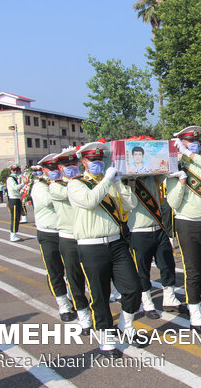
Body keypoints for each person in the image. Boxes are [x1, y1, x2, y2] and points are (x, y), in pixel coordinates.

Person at [67, 141, 140, 358]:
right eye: (92, 160)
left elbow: (131, 204)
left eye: (100, 159)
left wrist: (118, 184)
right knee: (100, 295)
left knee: (133, 288)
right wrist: (107, 180)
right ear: (83, 162)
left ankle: (126, 326)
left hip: (116, 243)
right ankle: (106, 340)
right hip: (91, 246)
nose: (97, 163)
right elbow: (89, 201)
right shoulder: (76, 184)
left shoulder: (109, 184)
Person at [167, 126, 201, 330]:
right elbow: (172, 202)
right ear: (180, 143)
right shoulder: (175, 166)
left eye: (196, 141)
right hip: (188, 223)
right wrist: (180, 181)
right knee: (193, 270)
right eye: (189, 141)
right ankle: (196, 314)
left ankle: (194, 298)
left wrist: (189, 153)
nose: (194, 143)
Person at [127, 166, 182, 318]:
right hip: (138, 231)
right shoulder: (126, 180)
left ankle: (169, 299)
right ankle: (147, 303)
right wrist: (131, 179)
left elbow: (165, 172)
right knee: (142, 270)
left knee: (167, 264)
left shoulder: (153, 176)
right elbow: (129, 203)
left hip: (159, 229)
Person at [49, 148, 93, 334]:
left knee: (95, 277)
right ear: (60, 167)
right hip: (68, 237)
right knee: (75, 279)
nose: (71, 168)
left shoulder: (86, 181)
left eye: (73, 164)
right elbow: (75, 194)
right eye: (67, 165)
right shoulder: (55, 185)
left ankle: (97, 311)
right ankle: (83, 315)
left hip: (88, 236)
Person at [32, 154, 78, 323]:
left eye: (56, 168)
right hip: (48, 233)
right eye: (50, 169)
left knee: (73, 269)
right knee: (55, 270)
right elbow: (49, 200)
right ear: (44, 170)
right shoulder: (40, 186)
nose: (54, 171)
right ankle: (63, 304)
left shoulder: (65, 183)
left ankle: (76, 300)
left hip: (66, 232)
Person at [6, 163, 25, 241]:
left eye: (17, 170)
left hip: (17, 199)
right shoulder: (10, 179)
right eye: (14, 170)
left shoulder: (15, 178)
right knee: (14, 218)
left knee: (17, 217)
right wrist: (24, 183)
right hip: (13, 200)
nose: (16, 171)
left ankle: (14, 234)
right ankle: (13, 235)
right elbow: (15, 188)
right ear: (11, 170)